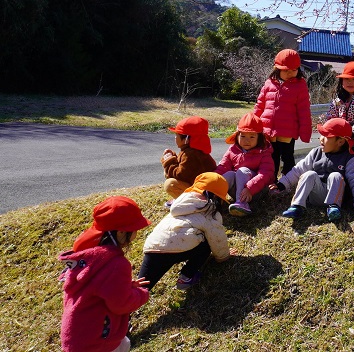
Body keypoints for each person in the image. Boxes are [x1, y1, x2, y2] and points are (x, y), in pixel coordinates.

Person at [58, 196, 151, 352]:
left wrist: (126, 286)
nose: (136, 233)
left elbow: (100, 289)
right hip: (97, 342)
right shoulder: (116, 265)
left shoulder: (88, 257)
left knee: (125, 343)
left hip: (76, 336)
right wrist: (141, 294)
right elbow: (121, 304)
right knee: (123, 345)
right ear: (121, 233)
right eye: (134, 229)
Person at [138, 172, 233, 291]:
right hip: (180, 248)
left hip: (153, 246)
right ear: (217, 197)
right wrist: (223, 257)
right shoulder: (209, 210)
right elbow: (217, 237)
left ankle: (121, 305)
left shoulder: (181, 202)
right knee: (208, 243)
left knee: (142, 288)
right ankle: (187, 277)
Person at [269, 117, 354, 222]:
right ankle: (296, 206)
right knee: (309, 174)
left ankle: (333, 208)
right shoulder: (316, 152)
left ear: (340, 142)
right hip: (317, 194)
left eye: (326, 136)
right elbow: (298, 170)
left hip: (338, 197)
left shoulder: (350, 159)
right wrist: (282, 184)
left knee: (336, 175)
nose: (321, 138)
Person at [254, 48, 312, 179]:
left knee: (287, 158)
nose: (290, 73)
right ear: (277, 69)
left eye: (294, 70)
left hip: (287, 131)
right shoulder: (269, 83)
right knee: (270, 158)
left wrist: (305, 131)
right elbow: (260, 104)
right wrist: (253, 122)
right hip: (267, 130)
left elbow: (304, 110)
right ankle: (271, 181)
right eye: (286, 70)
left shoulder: (300, 85)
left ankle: (288, 182)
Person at [215, 112, 275, 217]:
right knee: (229, 174)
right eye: (243, 136)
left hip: (255, 191)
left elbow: (266, 174)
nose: (247, 140)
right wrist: (211, 182)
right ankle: (213, 198)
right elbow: (222, 167)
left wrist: (249, 188)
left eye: (252, 137)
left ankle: (242, 204)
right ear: (237, 136)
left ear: (259, 138)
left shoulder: (264, 152)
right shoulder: (233, 150)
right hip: (239, 189)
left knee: (242, 171)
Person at [161, 116, 216, 200]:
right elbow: (184, 168)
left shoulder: (192, 154)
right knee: (167, 172)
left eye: (177, 135)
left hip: (205, 195)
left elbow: (180, 175)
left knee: (170, 184)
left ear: (186, 139)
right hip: (203, 189)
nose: (175, 138)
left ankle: (193, 203)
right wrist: (172, 157)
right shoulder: (193, 151)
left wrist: (169, 161)